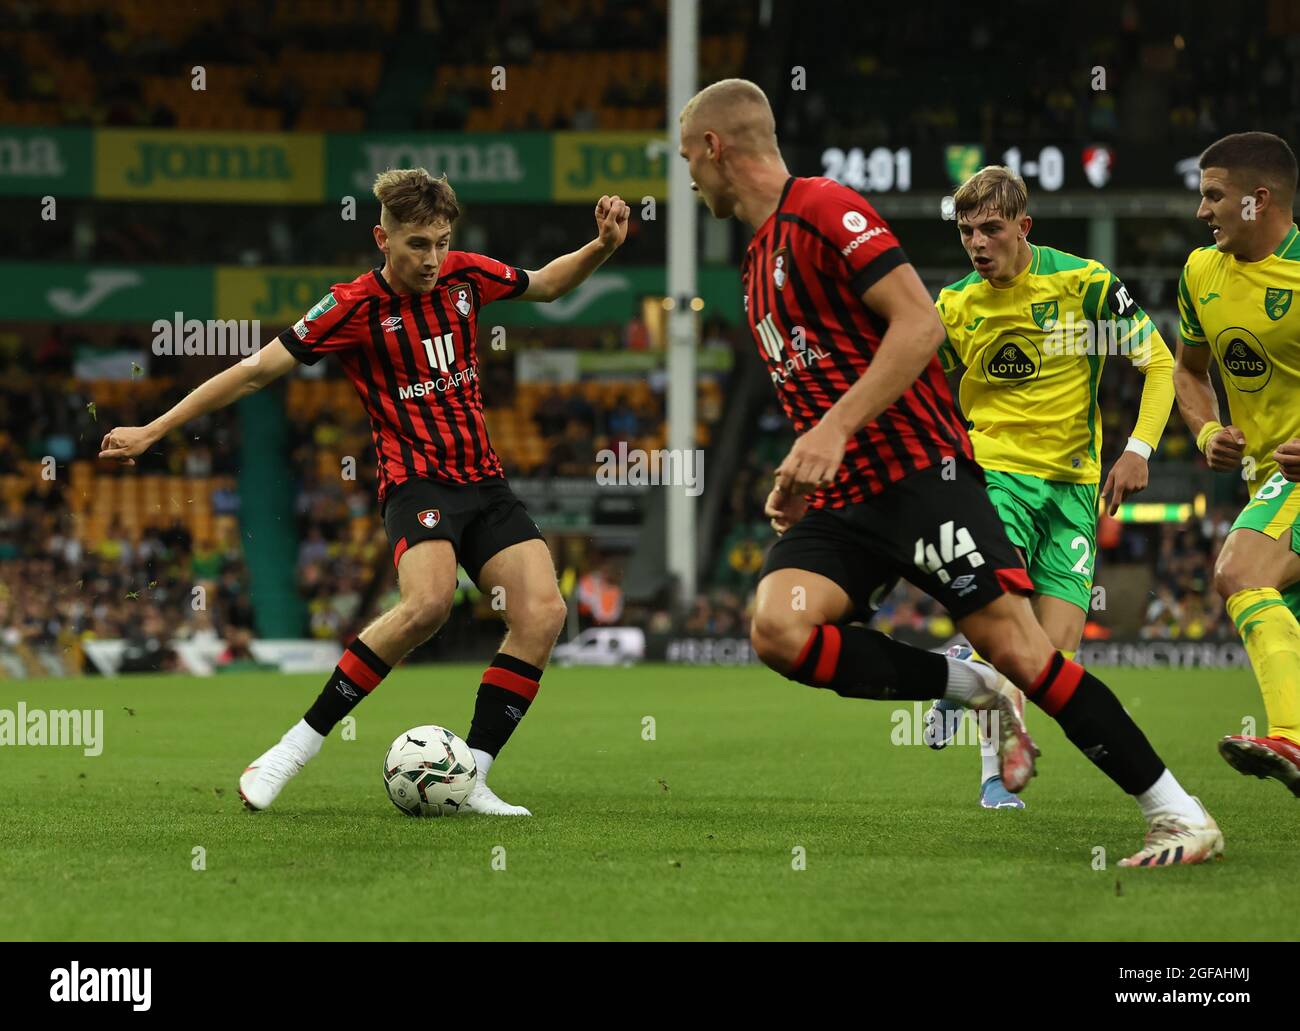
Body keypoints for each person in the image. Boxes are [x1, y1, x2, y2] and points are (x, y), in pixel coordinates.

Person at [678, 77, 1220, 865]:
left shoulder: (825, 208)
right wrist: (801, 467)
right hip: (844, 500)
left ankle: (1178, 810)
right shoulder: (755, 261)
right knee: (778, 628)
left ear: (715, 147)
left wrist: (834, 428)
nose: (685, 177)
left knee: (1031, 654)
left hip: (920, 481)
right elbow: (821, 376)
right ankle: (968, 687)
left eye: (687, 157)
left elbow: (918, 324)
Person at [100, 168, 630, 816]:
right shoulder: (351, 307)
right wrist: (154, 430)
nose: (432, 257)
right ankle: (291, 749)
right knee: (429, 603)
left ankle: (470, 777)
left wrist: (600, 247)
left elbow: (547, 284)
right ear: (383, 238)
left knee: (544, 612)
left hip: (485, 483)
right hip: (416, 482)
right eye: (417, 244)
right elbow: (253, 371)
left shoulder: (467, 275)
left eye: (440, 240)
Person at [928, 165, 1175, 808]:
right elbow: (915, 385)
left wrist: (1139, 449)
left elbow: (1160, 364)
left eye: (991, 229)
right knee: (1004, 621)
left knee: (1054, 656)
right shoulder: (954, 305)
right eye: (965, 232)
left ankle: (960, 673)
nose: (977, 244)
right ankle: (992, 776)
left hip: (1073, 488)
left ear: (1023, 227)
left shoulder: (1084, 284)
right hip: (995, 476)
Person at [1174, 131, 1300, 795]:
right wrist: (1206, 432)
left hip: (1294, 480)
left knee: (1239, 569)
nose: (1202, 211)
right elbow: (1189, 372)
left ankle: (1292, 741)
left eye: (1213, 195)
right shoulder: (1201, 273)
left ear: (1259, 200)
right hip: (1262, 478)